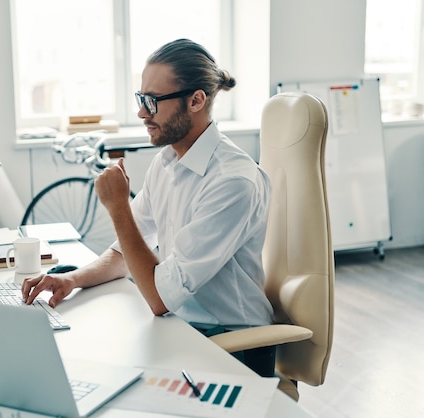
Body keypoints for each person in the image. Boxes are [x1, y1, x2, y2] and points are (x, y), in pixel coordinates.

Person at [22, 38, 275, 376]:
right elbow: (125, 252)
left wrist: (118, 207)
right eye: (141, 99)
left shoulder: (232, 182)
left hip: (234, 346)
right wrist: (71, 279)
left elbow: (159, 298)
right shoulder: (167, 161)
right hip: (184, 329)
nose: (142, 113)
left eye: (153, 101)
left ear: (196, 100)